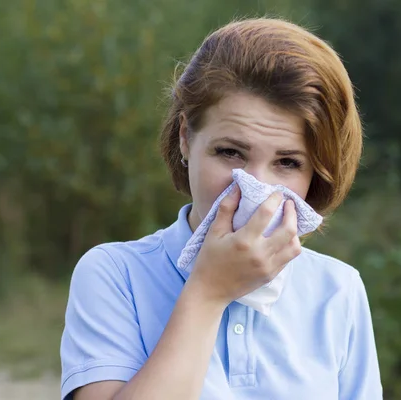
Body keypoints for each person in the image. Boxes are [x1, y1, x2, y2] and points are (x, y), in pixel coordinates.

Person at [60, 17, 383, 400]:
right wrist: (209, 291)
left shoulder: (338, 290)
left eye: (288, 163)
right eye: (230, 152)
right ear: (185, 139)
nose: (256, 188)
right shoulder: (115, 275)